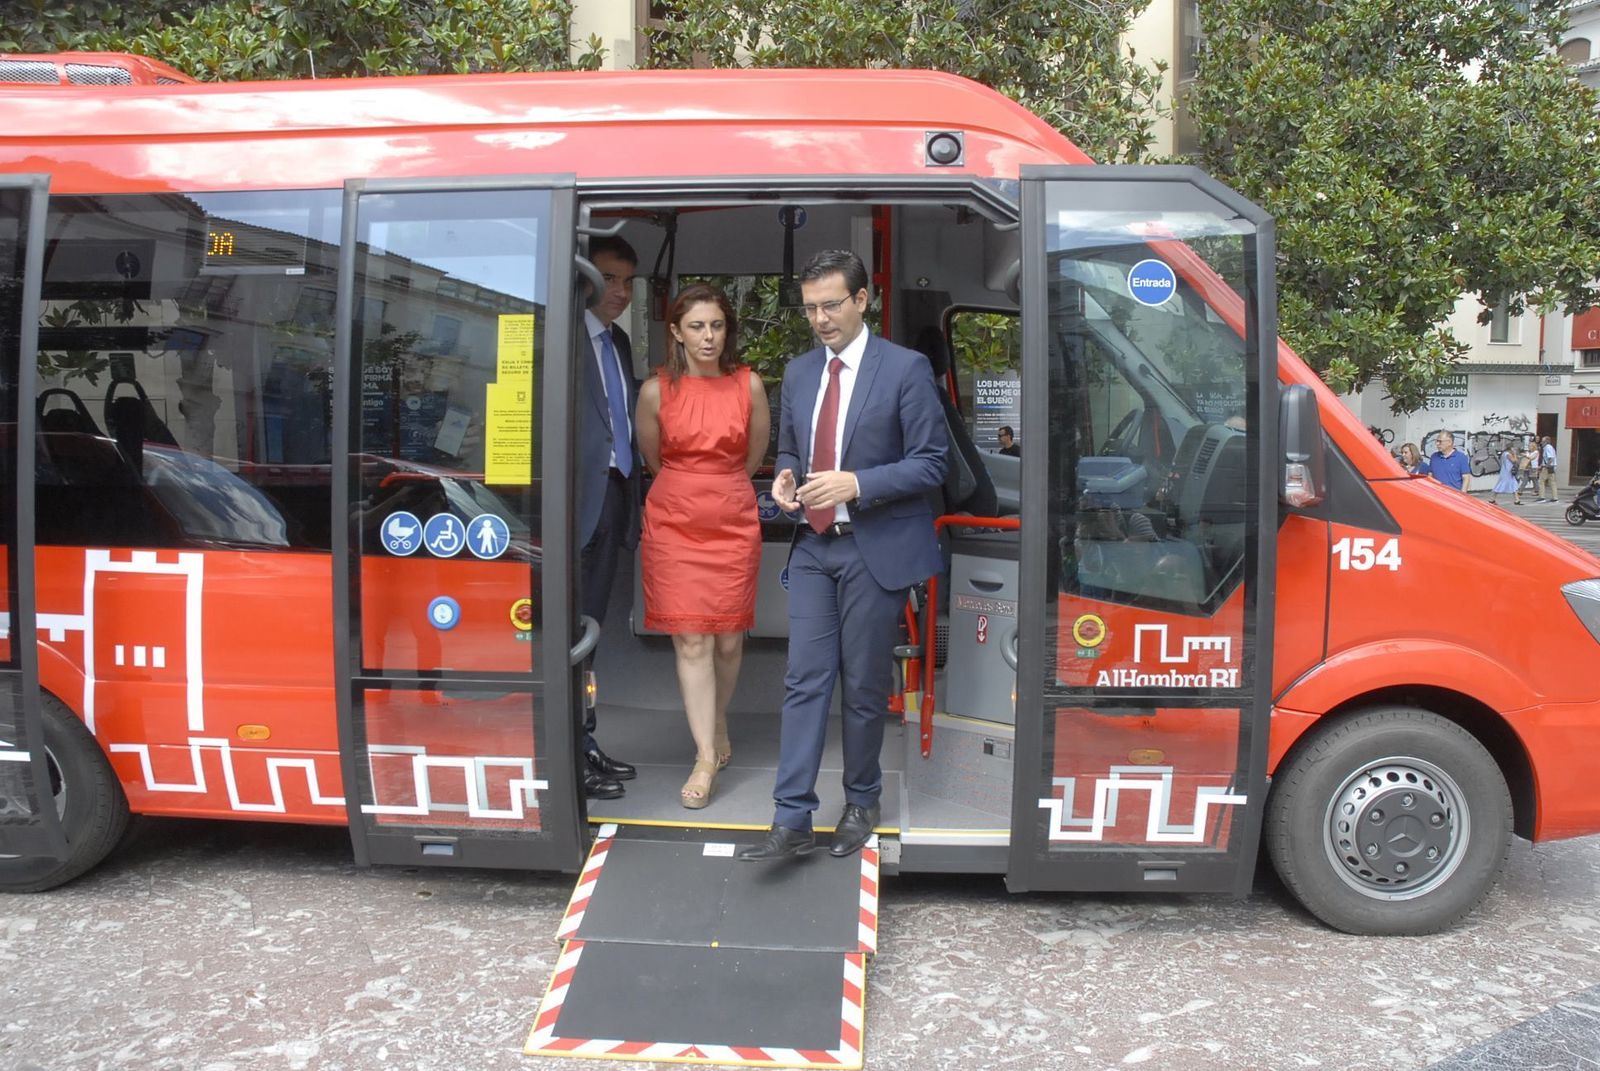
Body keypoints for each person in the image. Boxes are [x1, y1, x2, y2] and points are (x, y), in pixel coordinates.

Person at [739, 250, 948, 862]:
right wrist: (783, 476)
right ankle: (792, 818)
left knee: (862, 683)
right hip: (812, 545)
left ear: (862, 300)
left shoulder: (905, 369)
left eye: (831, 305)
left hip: (872, 547)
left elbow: (932, 463)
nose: (820, 319)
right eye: (810, 309)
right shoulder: (800, 372)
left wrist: (857, 483)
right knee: (804, 679)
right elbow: (791, 448)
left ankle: (862, 801)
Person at [635, 285, 770, 809]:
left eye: (716, 325)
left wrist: (718, 484)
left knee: (729, 641)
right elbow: (654, 459)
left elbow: (754, 453)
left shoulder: (748, 384)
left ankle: (715, 721)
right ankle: (705, 756)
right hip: (674, 522)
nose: (708, 336)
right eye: (696, 326)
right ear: (676, 332)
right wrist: (691, 486)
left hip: (732, 518)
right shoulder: (656, 391)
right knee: (692, 641)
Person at [575, 235, 642, 799]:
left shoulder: (616, 341)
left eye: (628, 281)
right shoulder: (558, 337)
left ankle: (584, 739)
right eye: (610, 278)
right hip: (571, 507)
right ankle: (567, 750)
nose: (620, 291)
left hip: (613, 499)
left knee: (590, 633)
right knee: (567, 635)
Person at [1538, 435, 1558, 502]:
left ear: (1546, 441)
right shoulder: (1550, 447)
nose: (1541, 442)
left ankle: (1542, 497)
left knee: (1541, 481)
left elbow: (1551, 458)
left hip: (1547, 467)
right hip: (1551, 467)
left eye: (1542, 441)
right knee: (1552, 482)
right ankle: (1555, 497)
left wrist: (1546, 465)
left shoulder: (1547, 447)